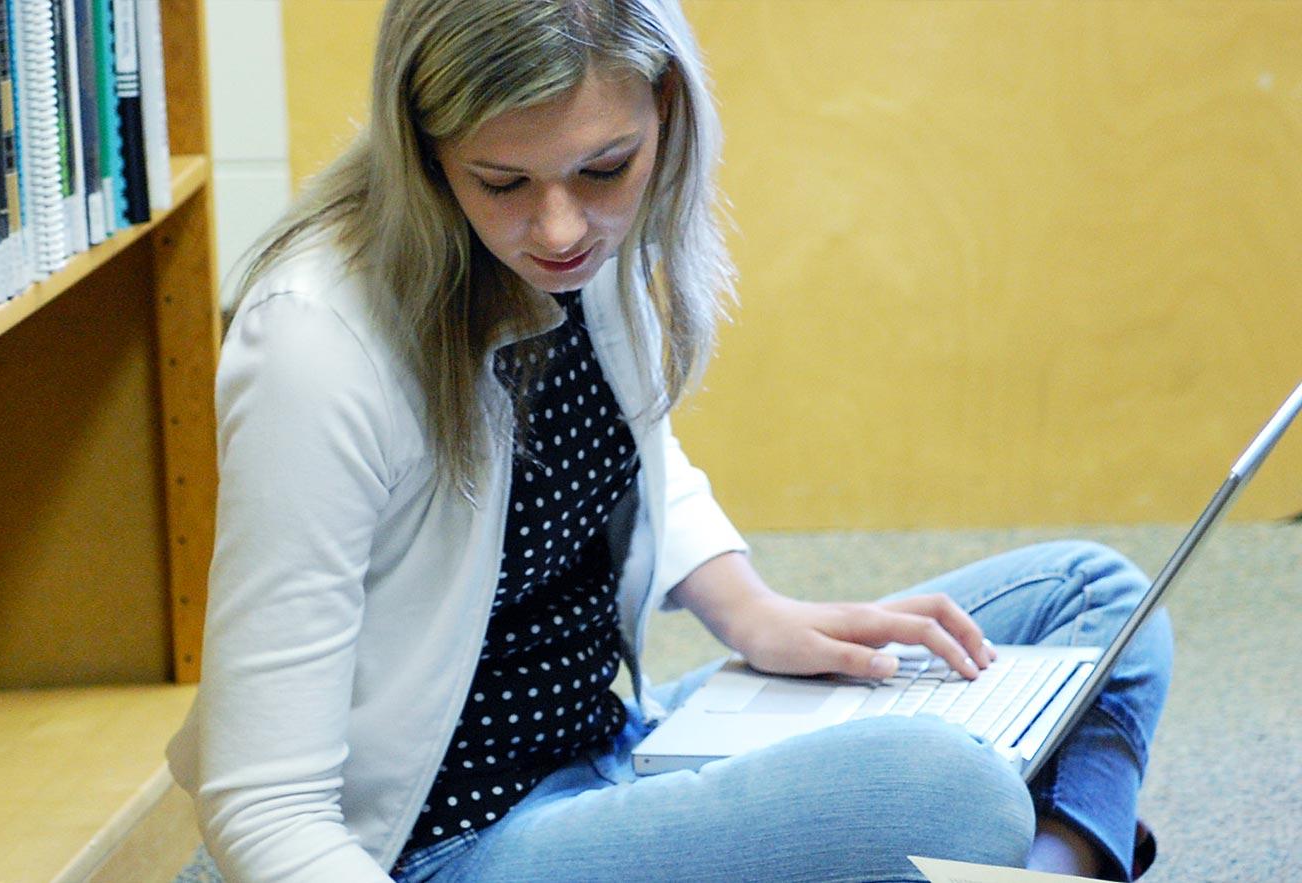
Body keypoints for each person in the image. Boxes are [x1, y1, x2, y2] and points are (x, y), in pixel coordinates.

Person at [165, 1, 1172, 880]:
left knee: (1099, 599)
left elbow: (624, 453)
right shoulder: (315, 345)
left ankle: (1051, 869)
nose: (561, 229)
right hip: (447, 844)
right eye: (502, 181)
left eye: (605, 168)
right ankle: (1019, 852)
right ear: (426, 153)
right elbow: (263, 804)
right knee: (949, 795)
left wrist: (753, 610)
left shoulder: (573, 244)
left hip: (618, 748)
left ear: (668, 115)